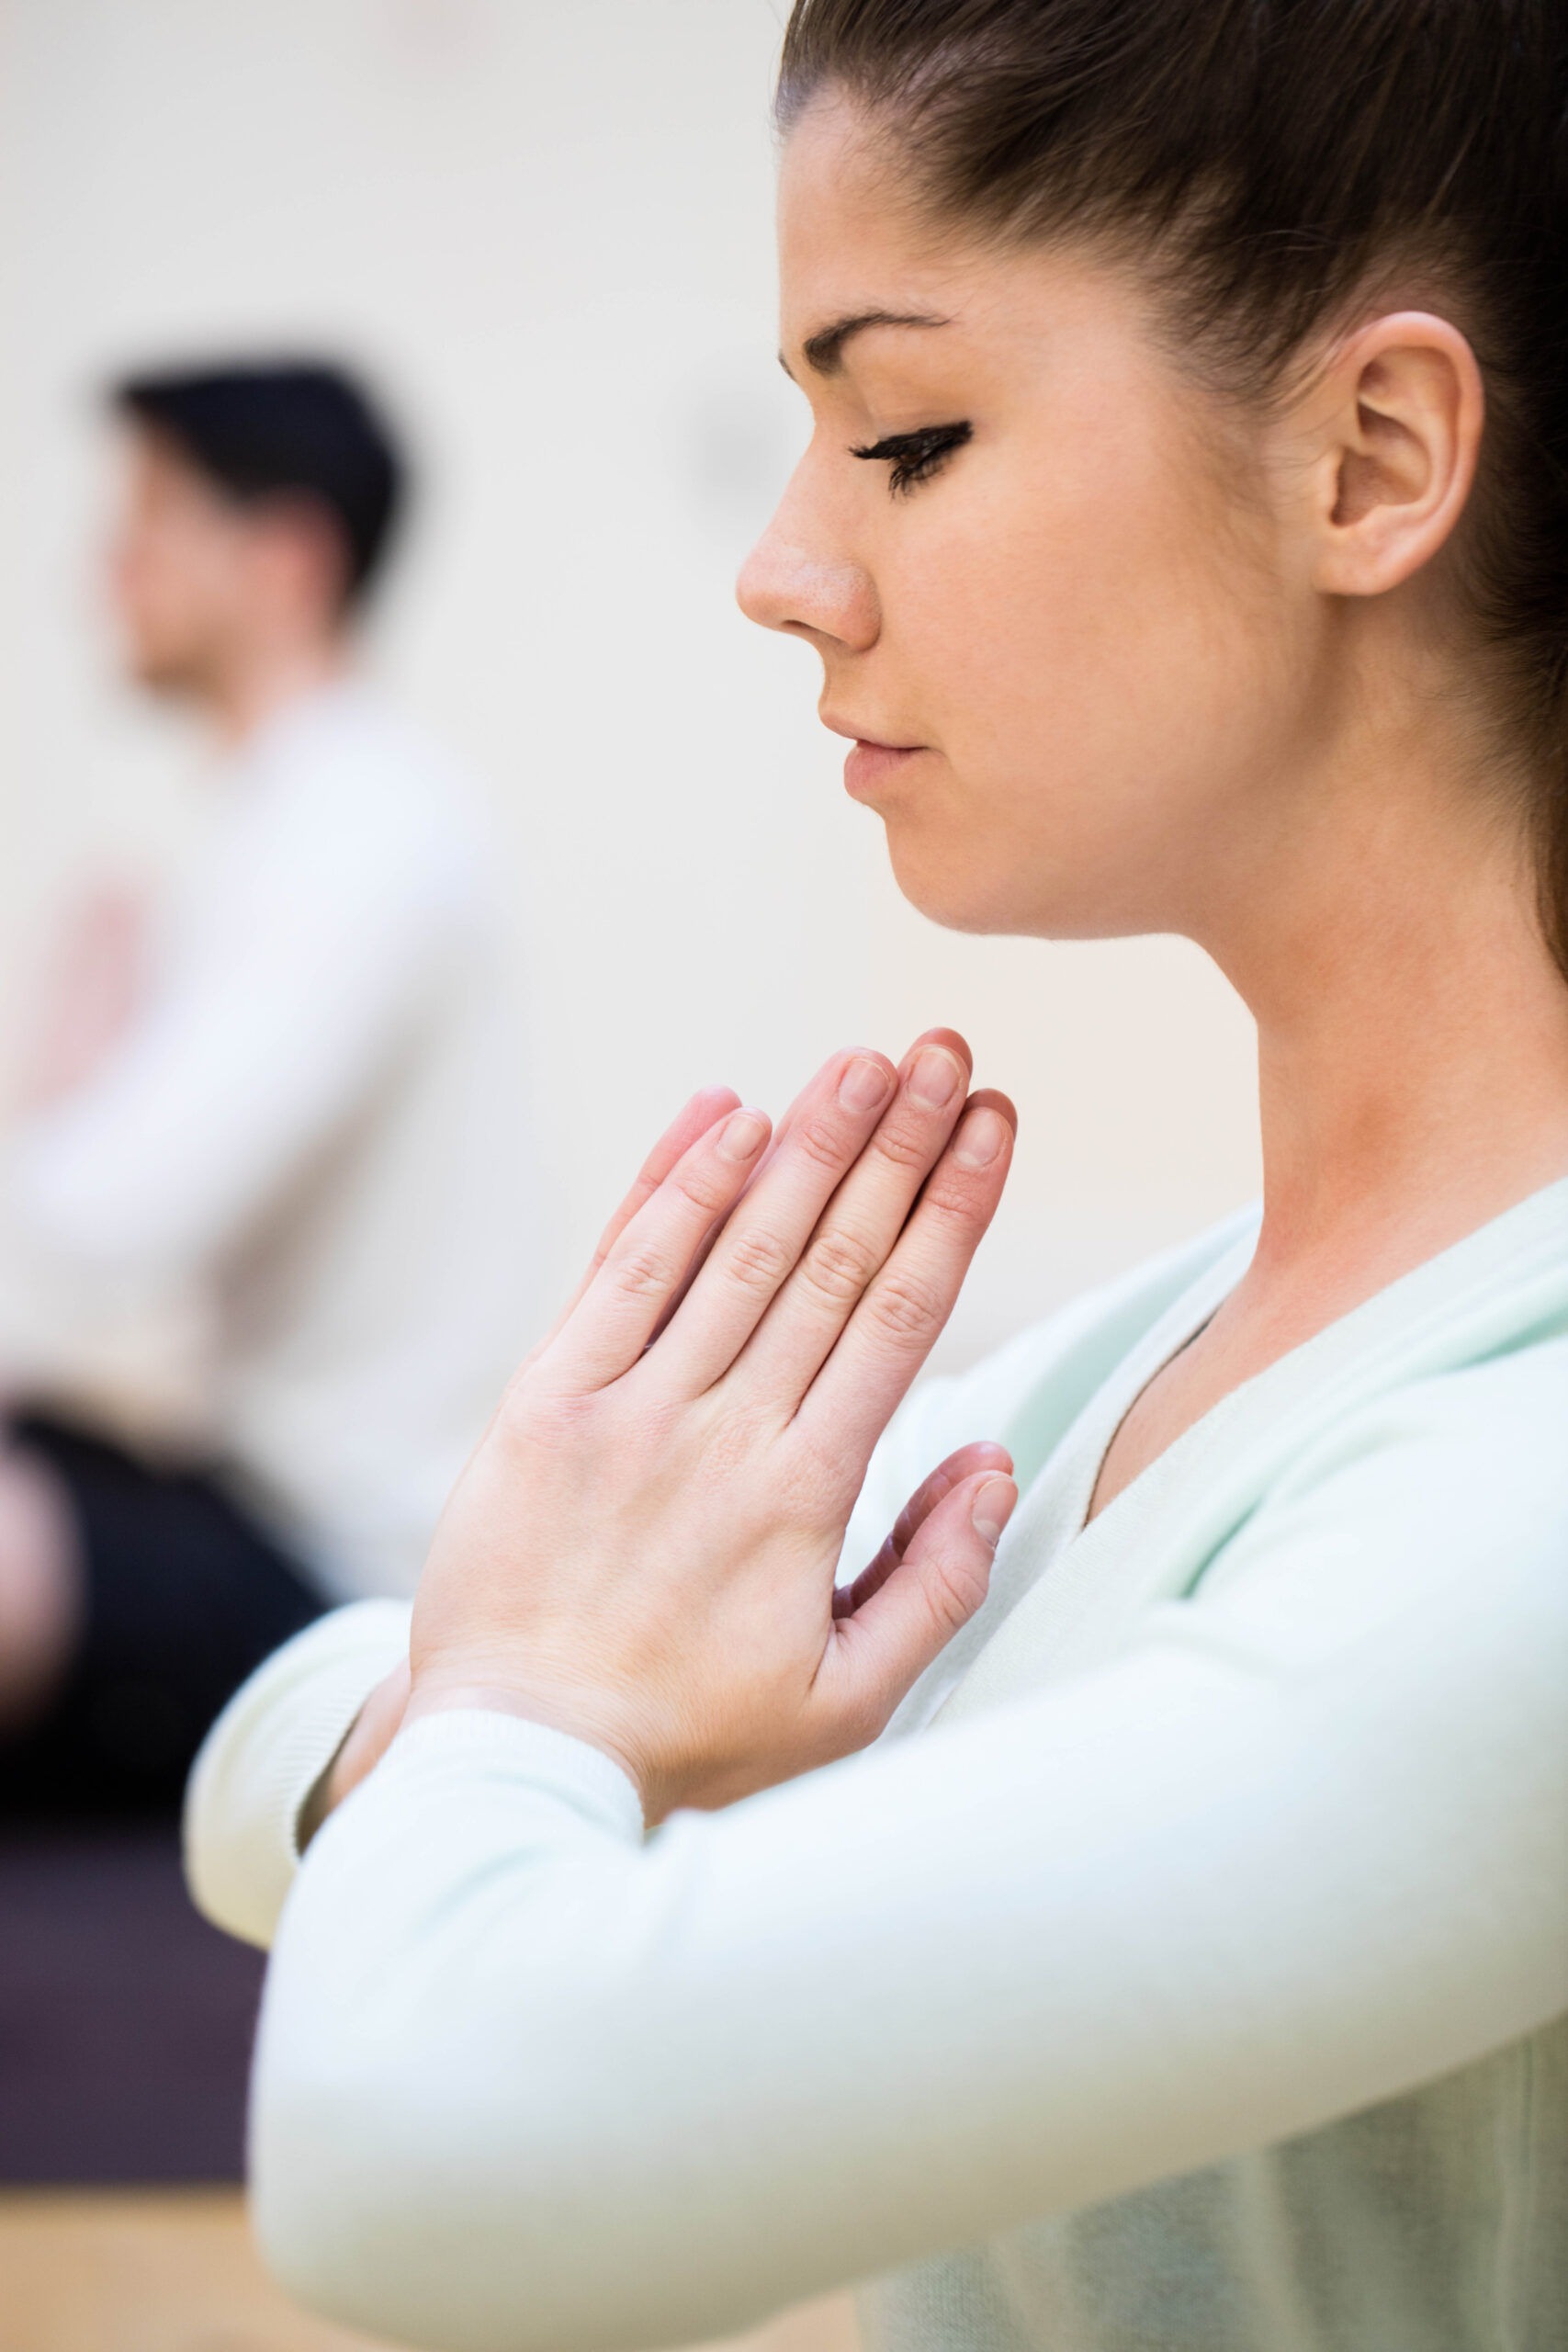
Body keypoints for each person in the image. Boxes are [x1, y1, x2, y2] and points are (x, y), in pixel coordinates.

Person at [186, 7, 1565, 2349]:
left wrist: (532, 1694)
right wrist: (540, 1691)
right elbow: (271, 1763)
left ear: (1369, 455)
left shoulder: (1511, 1465)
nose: (780, 565)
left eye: (905, 430)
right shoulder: (1179, 1337)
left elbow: (413, 2139)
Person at [0, 360, 535, 1813]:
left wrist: (65, 1075)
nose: (110, 565)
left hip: (336, 1569)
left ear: (287, 559)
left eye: (155, 518)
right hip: (235, 1487)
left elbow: (110, 1224)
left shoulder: (365, 831)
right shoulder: (294, 817)